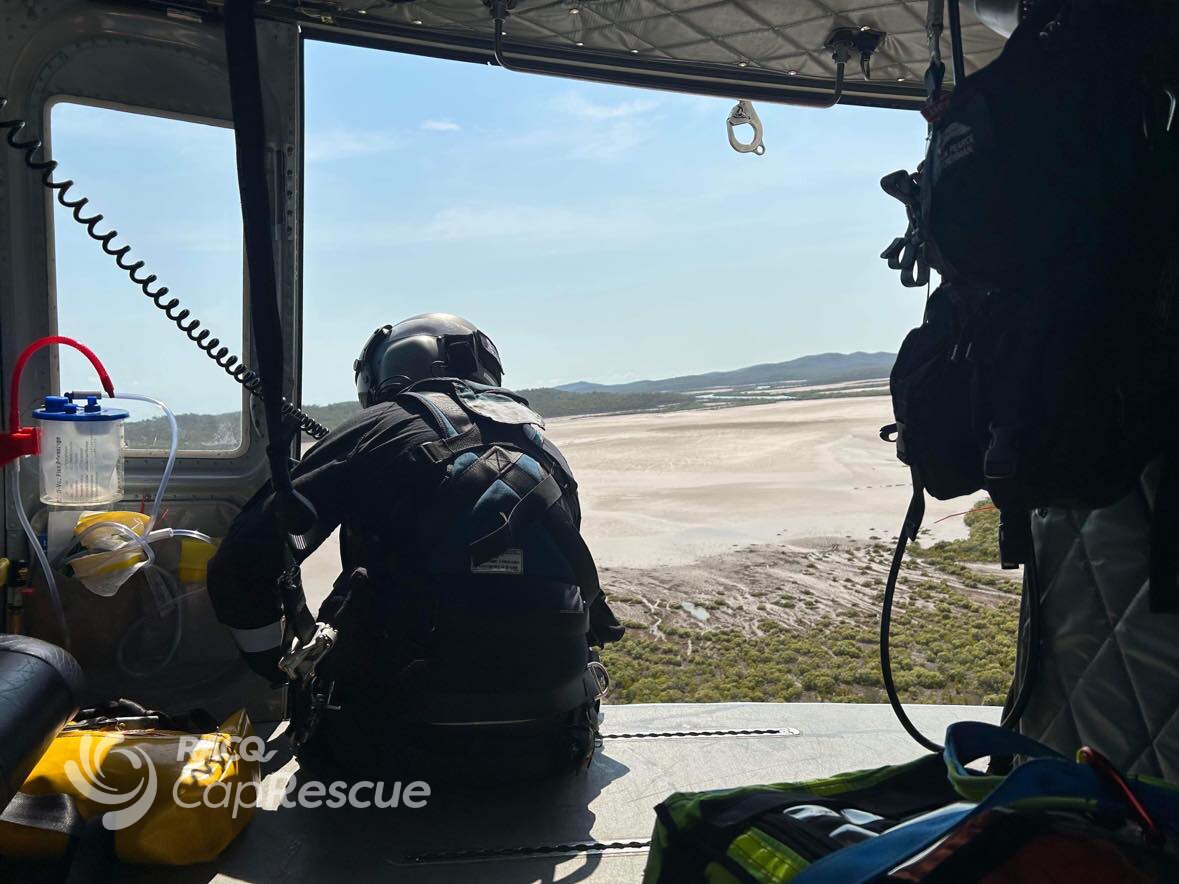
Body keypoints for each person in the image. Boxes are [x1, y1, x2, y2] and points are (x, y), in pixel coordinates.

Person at [207, 313, 623, 781]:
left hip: (380, 756)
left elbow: (241, 562)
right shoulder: (542, 447)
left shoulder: (380, 426)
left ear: (389, 371)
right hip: (551, 749)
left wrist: (275, 667)